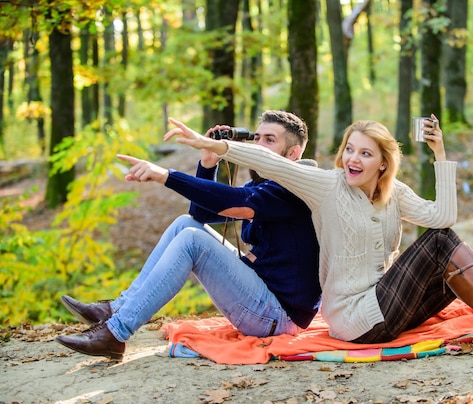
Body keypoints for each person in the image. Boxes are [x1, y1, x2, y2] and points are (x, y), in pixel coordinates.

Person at [164, 115, 473, 357]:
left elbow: (443, 213)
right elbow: (273, 163)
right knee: (441, 243)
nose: (354, 159)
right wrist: (217, 147)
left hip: (388, 303)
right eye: (350, 150)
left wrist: (440, 151)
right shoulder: (326, 186)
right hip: (353, 317)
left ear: (384, 162)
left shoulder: (393, 192)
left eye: (366, 153)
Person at [56, 110, 321, 361]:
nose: (258, 145)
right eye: (257, 138)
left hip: (278, 316)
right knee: (185, 225)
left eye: (270, 140)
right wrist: (208, 163)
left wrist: (166, 176)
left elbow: (236, 200)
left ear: (293, 153)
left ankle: (115, 333)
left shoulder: (295, 188)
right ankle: (116, 309)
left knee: (193, 241)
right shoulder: (266, 184)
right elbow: (201, 215)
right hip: (263, 299)